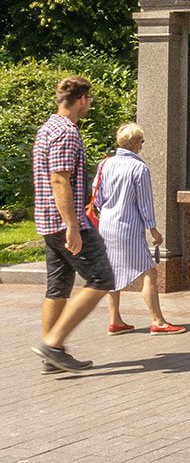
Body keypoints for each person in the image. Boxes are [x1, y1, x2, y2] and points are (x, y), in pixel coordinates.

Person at [31, 76, 115, 373]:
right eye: (89, 100)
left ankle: (52, 356)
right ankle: (53, 344)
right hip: (65, 222)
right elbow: (59, 179)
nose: (89, 105)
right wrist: (72, 225)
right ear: (81, 100)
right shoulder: (66, 132)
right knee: (102, 279)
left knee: (58, 288)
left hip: (46, 221)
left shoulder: (47, 128)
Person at [91, 123, 185, 336]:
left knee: (112, 272)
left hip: (107, 224)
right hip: (129, 225)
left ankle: (115, 321)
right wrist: (153, 229)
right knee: (149, 271)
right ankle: (157, 321)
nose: (142, 145)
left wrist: (107, 211)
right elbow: (144, 203)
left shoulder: (105, 164)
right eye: (141, 141)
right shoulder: (138, 168)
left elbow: (97, 197)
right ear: (134, 143)